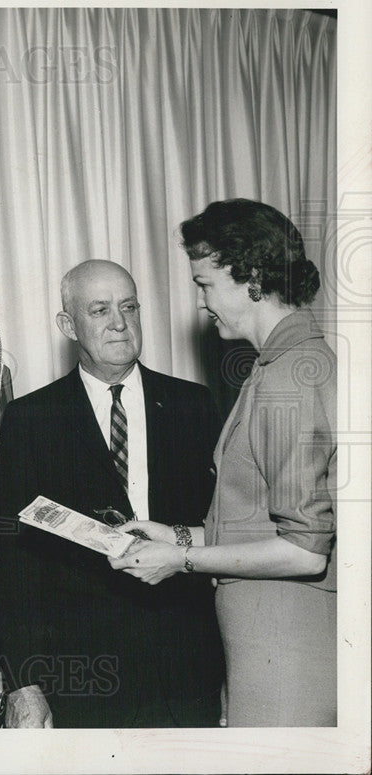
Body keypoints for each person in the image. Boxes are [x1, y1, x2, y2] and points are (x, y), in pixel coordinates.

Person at [110, 200, 336, 727]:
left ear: (251, 277)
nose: (202, 303)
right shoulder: (280, 367)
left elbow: (305, 552)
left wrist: (180, 561)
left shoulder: (286, 381)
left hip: (288, 655)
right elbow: (256, 522)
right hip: (269, 648)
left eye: (205, 284)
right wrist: (177, 537)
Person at [0, 260, 225, 729]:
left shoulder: (195, 405)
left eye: (129, 307)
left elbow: (223, 533)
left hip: (188, 669)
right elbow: (10, 563)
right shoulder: (31, 419)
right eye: (99, 310)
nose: (119, 323)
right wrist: (24, 681)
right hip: (82, 677)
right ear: (68, 325)